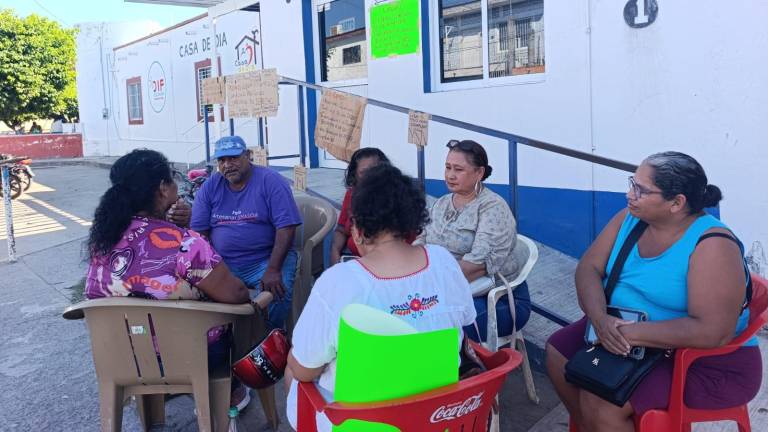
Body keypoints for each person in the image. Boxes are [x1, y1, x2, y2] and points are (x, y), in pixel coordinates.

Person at [546, 151, 761, 432]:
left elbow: (713, 331)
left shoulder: (713, 245)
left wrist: (625, 334)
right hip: (626, 330)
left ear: (676, 203)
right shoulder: (630, 219)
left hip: (701, 360)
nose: (629, 194)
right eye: (632, 183)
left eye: (641, 189)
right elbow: (589, 268)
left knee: (601, 401)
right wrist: (599, 319)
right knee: (557, 354)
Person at [285, 164, 476, 431]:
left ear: (358, 229)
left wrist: (294, 359)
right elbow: (465, 318)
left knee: (293, 370)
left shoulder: (339, 281)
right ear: (411, 223)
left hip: (360, 425)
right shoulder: (443, 262)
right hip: (434, 418)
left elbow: (306, 370)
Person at [84, 149, 253, 410]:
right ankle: (232, 391)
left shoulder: (103, 240)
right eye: (173, 178)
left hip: (121, 355)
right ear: (163, 189)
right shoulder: (184, 242)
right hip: (184, 356)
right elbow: (236, 294)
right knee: (243, 315)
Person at [414, 139, 531, 340]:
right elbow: (420, 242)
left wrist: (423, 281)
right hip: (443, 289)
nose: (450, 175)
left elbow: (474, 268)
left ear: (479, 173)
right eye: (447, 167)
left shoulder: (492, 208)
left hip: (494, 299)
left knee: (427, 323)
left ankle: (461, 370)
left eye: (458, 169)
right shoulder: (442, 204)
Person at [190, 135, 302, 330]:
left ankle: (267, 338)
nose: (227, 165)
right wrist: (210, 267)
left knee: (277, 292)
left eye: (233, 158)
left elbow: (286, 227)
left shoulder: (271, 181)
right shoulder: (210, 187)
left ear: (248, 156)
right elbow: (199, 233)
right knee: (195, 291)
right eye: (222, 160)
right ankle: (228, 339)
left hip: (266, 259)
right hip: (224, 262)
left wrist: (273, 269)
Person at [329, 147, 390, 264]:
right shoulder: (352, 194)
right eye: (364, 172)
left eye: (375, 170)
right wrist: (335, 251)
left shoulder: (393, 198)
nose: (372, 176)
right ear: (355, 175)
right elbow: (341, 229)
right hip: (355, 257)